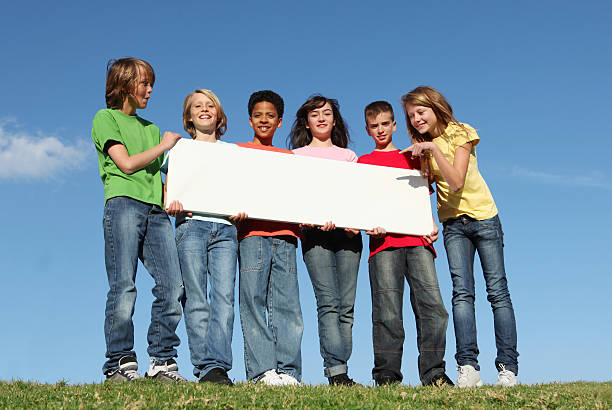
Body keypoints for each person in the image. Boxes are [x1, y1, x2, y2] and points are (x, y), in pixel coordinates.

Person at [401, 86, 519, 387]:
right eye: (411, 115)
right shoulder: (423, 146)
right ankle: (468, 366)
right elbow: (423, 189)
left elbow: (455, 181)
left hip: (484, 219)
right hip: (453, 226)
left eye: (420, 111)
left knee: (497, 292)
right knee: (462, 294)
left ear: (435, 106)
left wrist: (434, 151)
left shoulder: (461, 132)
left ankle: (507, 367)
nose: (416, 119)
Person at [91, 57, 186, 382]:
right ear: (123, 85)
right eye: (143, 83)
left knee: (173, 285)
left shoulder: (152, 128)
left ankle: (162, 362)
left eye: (150, 84)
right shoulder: (106, 118)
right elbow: (127, 164)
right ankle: (119, 363)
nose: (149, 90)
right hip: (123, 207)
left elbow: (163, 177)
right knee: (124, 286)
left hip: (156, 213)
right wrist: (163, 146)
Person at [357, 101, 453, 387]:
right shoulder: (363, 163)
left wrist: (431, 224)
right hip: (383, 244)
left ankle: (434, 372)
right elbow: (361, 204)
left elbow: (424, 195)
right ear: (367, 130)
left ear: (395, 125)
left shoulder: (412, 157)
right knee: (387, 311)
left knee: (432, 307)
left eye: (385, 124)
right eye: (374, 126)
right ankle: (387, 374)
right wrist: (368, 223)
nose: (380, 130)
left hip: (418, 241)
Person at [163, 89, 238, 386]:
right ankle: (205, 367)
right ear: (189, 116)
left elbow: (242, 187)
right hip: (191, 226)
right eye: (198, 106)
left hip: (226, 229)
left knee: (224, 299)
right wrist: (172, 202)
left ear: (219, 115)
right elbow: (168, 186)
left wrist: (241, 208)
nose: (204, 110)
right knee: (196, 297)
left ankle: (218, 365)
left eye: (210, 106)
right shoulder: (179, 149)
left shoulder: (233, 152)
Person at [288, 95, 362, 386]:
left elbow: (356, 195)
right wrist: (302, 218)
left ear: (335, 120)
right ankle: (336, 371)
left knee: (347, 306)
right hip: (314, 235)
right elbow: (294, 196)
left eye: (327, 113)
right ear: (306, 122)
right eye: (315, 114)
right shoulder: (296, 156)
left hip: (348, 235)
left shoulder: (349, 157)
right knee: (328, 303)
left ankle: (341, 365)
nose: (321, 118)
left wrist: (356, 221)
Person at [233, 90, 304, 386]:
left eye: (270, 116)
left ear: (279, 122)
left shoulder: (290, 158)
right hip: (251, 234)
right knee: (253, 300)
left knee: (288, 304)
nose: (264, 120)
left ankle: (288, 371)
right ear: (250, 120)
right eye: (259, 115)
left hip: (286, 235)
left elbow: (301, 195)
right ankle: (262, 370)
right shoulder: (237, 152)